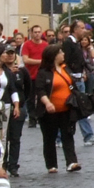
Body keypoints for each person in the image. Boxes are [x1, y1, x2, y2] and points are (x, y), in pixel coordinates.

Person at [33, 43, 81, 173]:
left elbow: (72, 85)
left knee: (68, 135)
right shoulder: (44, 73)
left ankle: (71, 162)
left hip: (66, 109)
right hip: (49, 112)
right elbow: (40, 90)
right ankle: (51, 165)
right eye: (61, 52)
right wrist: (47, 103)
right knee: (49, 138)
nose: (63, 54)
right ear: (54, 56)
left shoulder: (66, 69)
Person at [60, 19, 94, 147]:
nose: (84, 30)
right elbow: (65, 61)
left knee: (79, 108)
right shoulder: (69, 43)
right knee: (74, 108)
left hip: (79, 79)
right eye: (82, 28)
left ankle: (87, 136)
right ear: (75, 29)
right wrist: (70, 77)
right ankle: (84, 136)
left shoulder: (77, 43)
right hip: (73, 80)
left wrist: (84, 71)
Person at [0, 45, 28, 177]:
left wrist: (20, 105)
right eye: (6, 53)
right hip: (0, 107)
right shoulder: (2, 71)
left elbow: (27, 89)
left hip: (15, 107)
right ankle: (2, 164)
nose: (9, 56)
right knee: (3, 137)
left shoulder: (21, 72)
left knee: (15, 137)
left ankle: (13, 165)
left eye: (12, 53)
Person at [20, 25, 47, 128]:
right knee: (30, 98)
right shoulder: (27, 45)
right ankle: (32, 118)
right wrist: (40, 61)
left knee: (42, 97)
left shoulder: (45, 45)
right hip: (30, 75)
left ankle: (40, 117)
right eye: (35, 32)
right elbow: (26, 60)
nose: (37, 34)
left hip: (42, 76)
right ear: (31, 33)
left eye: (39, 32)